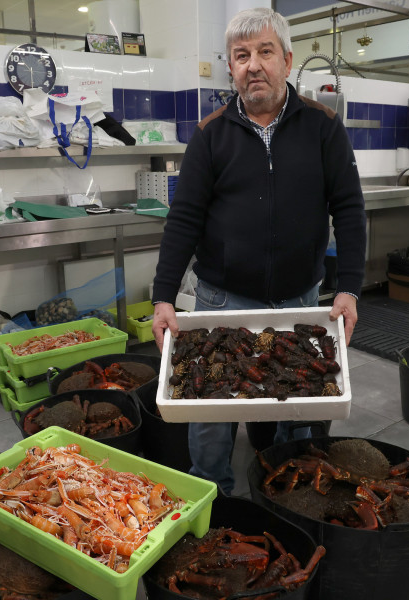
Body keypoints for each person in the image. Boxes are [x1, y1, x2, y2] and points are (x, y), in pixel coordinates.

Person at [149, 7, 367, 494]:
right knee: (209, 421)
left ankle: (290, 501)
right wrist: (163, 297)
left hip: (299, 301)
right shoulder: (209, 136)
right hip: (222, 302)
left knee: (299, 415)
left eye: (265, 52)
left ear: (287, 61)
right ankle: (213, 505)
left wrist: (349, 288)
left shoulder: (323, 127)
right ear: (231, 67)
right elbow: (183, 219)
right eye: (241, 55)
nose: (253, 65)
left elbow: (350, 211)